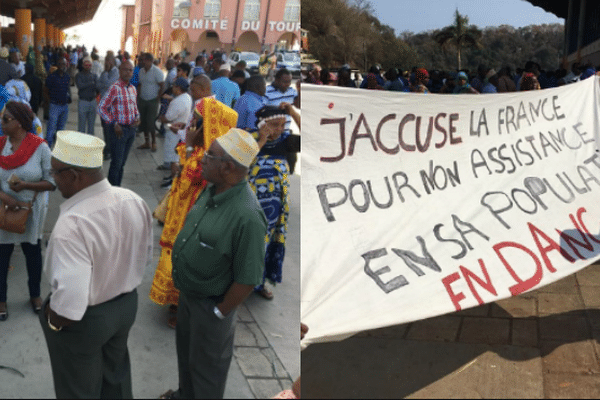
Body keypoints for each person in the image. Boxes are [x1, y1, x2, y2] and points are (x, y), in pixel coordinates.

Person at [39, 130, 153, 398]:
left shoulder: (73, 224)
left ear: (75, 175)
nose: (54, 180)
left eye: (56, 172)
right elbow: (144, 258)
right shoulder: (133, 200)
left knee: (78, 387)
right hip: (126, 306)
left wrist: (53, 322)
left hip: (85, 320)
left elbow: (69, 304)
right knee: (116, 376)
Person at [160, 128, 266, 399]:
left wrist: (220, 312)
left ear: (228, 167)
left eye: (210, 156)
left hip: (212, 307)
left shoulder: (248, 216)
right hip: (189, 297)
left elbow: (248, 278)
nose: (203, 159)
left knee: (208, 371)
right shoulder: (212, 188)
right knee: (187, 358)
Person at [149, 76, 238, 329]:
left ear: (210, 127)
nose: (193, 128)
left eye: (198, 124)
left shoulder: (211, 160)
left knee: (189, 258)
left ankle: (180, 305)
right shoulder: (203, 152)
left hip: (194, 218)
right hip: (180, 214)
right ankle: (176, 301)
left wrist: (188, 149)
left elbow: (189, 178)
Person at [0, 101, 55, 321]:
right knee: (2, 255)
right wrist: (4, 196)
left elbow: (52, 182)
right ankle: (1, 299)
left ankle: (35, 295)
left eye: (5, 119)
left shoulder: (40, 147)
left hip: (31, 211)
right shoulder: (0, 144)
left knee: (32, 254)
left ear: (21, 123)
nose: (1, 123)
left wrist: (26, 186)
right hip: (3, 209)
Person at [247, 105, 293, 300]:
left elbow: (312, 139)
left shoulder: (286, 141)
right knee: (249, 242)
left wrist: (293, 111)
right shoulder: (249, 139)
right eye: (274, 125)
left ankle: (260, 282)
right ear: (262, 125)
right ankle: (242, 283)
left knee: (268, 243)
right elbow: (243, 161)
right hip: (251, 204)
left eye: (283, 125)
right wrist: (262, 139)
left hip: (275, 208)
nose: (279, 129)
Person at [97, 60, 141, 186]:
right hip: (119, 131)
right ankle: (112, 191)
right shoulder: (114, 88)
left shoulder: (132, 88)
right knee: (116, 164)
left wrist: (137, 116)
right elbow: (101, 108)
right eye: (125, 69)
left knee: (122, 163)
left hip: (131, 130)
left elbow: (134, 106)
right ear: (120, 71)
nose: (128, 72)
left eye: (130, 70)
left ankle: (117, 188)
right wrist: (114, 123)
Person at [158, 77, 192, 180]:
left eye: (174, 87)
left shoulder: (178, 102)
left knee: (174, 158)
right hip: (180, 131)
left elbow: (168, 118)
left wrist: (161, 118)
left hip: (173, 132)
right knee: (175, 157)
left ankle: (173, 180)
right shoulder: (187, 97)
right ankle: (172, 177)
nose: (172, 89)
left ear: (178, 88)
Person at [137, 53, 165, 152]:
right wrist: (138, 96)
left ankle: (154, 142)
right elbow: (140, 84)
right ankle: (147, 142)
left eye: (143, 60)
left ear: (149, 60)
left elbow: (162, 85)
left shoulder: (157, 71)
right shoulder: (141, 71)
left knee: (150, 122)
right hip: (142, 99)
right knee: (143, 122)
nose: (141, 62)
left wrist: (158, 98)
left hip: (152, 100)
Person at [44, 57, 71, 148]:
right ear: (57, 65)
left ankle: (58, 147)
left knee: (61, 129)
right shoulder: (51, 77)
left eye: (64, 64)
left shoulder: (67, 76)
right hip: (54, 105)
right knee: (51, 128)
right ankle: (48, 147)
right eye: (60, 64)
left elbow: (67, 89)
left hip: (64, 106)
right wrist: (48, 102)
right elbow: (45, 90)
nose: (62, 66)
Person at [97, 54, 120, 160]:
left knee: (109, 128)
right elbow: (98, 84)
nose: (106, 62)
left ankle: (109, 150)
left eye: (108, 60)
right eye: (106, 60)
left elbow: (108, 84)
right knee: (105, 128)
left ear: (112, 61)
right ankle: (108, 148)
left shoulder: (115, 72)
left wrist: (105, 72)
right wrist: (104, 82)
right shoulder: (104, 72)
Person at [75, 57, 98, 136]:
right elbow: (80, 86)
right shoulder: (78, 75)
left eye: (89, 64)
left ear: (91, 65)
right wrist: (91, 83)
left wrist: (88, 84)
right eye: (86, 64)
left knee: (91, 127)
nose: (87, 66)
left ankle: (89, 146)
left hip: (93, 102)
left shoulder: (94, 75)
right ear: (83, 65)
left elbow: (97, 87)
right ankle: (81, 145)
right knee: (81, 126)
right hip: (83, 102)